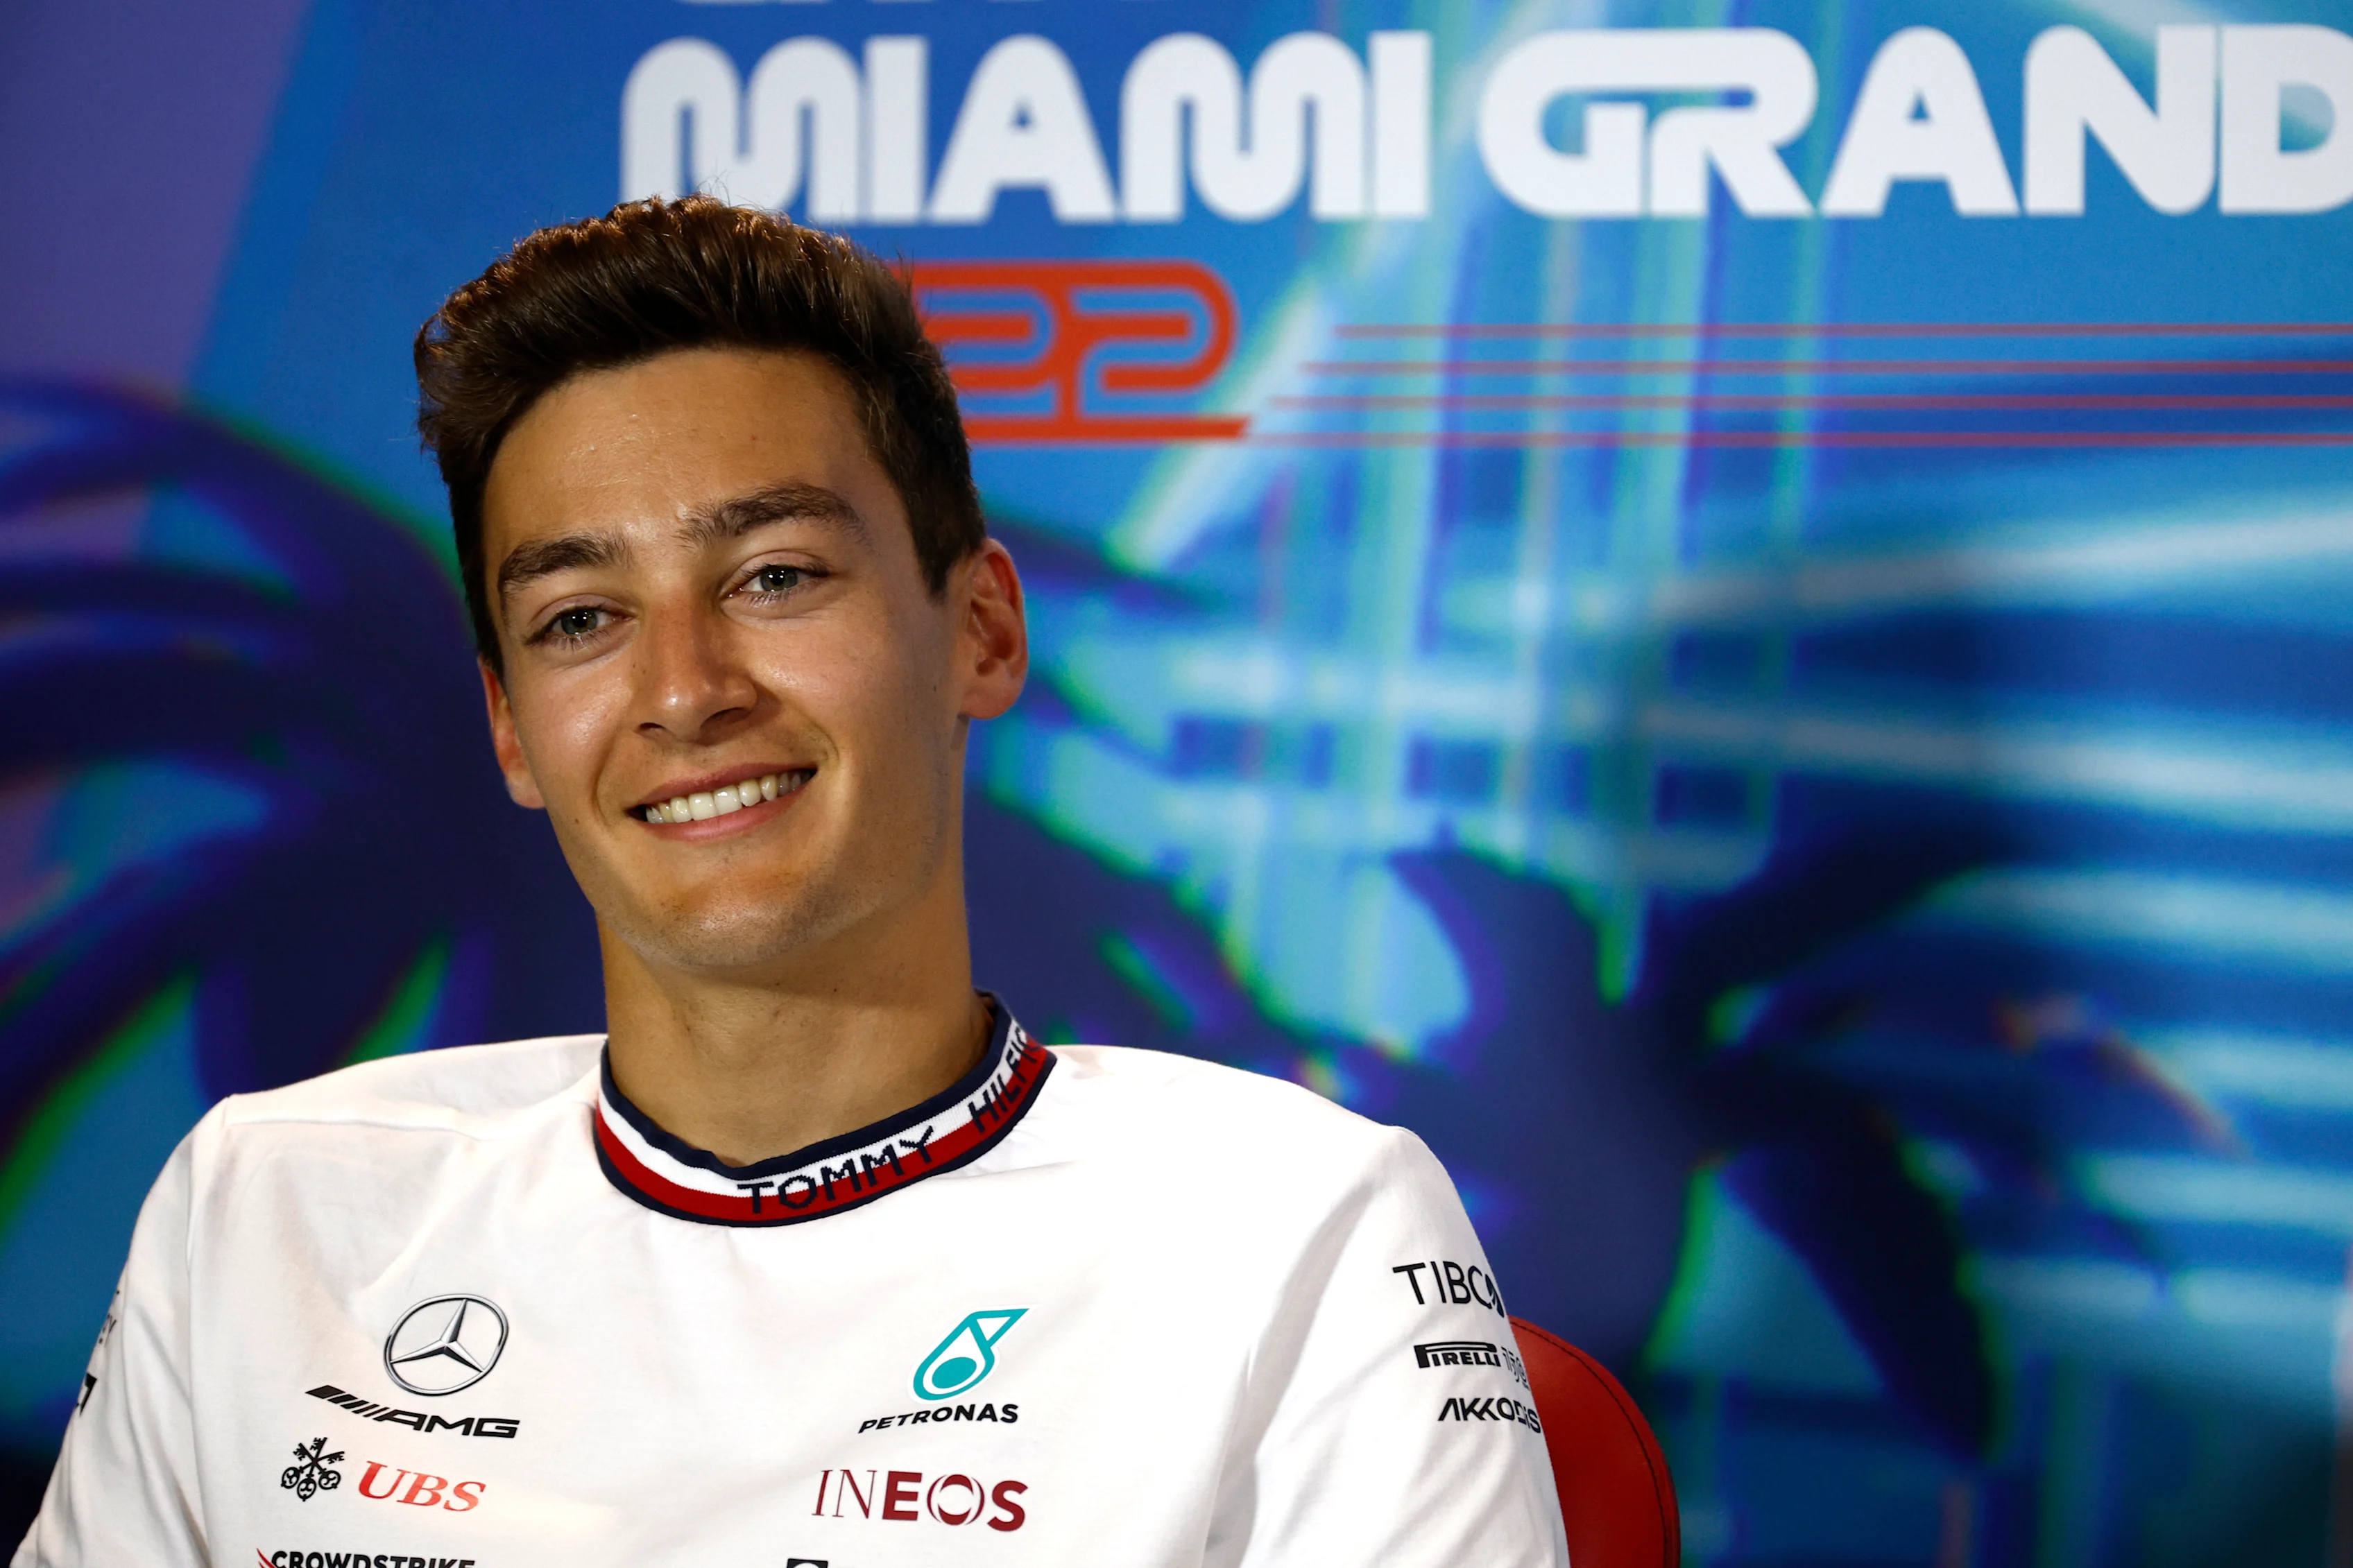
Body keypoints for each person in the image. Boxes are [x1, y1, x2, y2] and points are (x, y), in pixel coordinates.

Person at [15, 198, 1567, 1568]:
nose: (681, 688)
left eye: (773, 577)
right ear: (507, 726)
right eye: (577, 617)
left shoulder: (1299, 1226)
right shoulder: (265, 1202)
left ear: (980, 629)